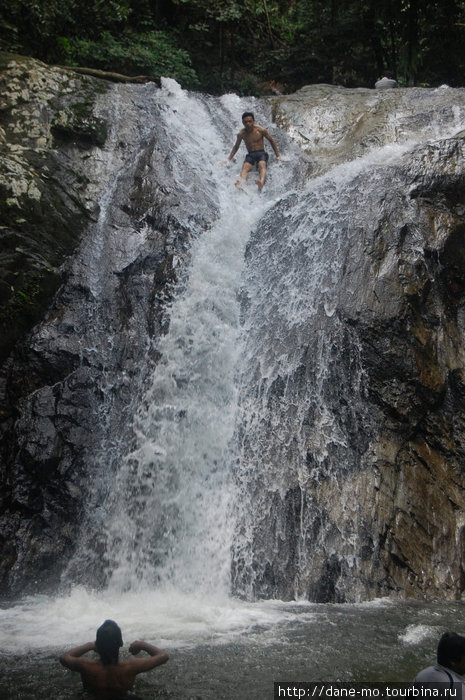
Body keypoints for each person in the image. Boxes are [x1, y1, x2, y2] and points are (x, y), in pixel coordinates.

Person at [59, 619, 169, 699]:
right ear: (120, 643)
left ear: (98, 645)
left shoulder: (86, 666)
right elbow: (163, 656)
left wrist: (89, 645)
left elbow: (64, 657)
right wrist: (141, 644)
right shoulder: (130, 667)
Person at [227, 111, 280, 190]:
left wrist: (278, 156)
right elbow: (236, 147)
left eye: (250, 121)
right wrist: (228, 159)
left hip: (261, 153)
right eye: (245, 122)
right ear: (243, 123)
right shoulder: (241, 134)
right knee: (245, 167)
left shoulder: (261, 130)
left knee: (262, 165)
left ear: (253, 121)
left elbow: (271, 141)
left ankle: (261, 182)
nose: (248, 124)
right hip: (251, 154)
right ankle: (242, 183)